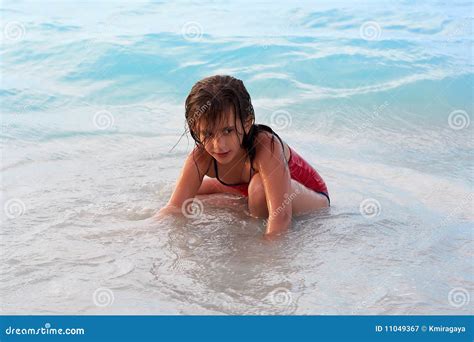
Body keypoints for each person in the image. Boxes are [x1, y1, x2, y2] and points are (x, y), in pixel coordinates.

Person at [157, 75, 329, 238]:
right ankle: (248, 205)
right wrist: (143, 231)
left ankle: (252, 215)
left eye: (228, 131)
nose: (219, 145)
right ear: (196, 131)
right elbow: (174, 207)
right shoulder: (200, 157)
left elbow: (281, 217)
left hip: (310, 196)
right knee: (193, 192)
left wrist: (262, 250)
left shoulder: (265, 145)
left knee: (259, 188)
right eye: (208, 134)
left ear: (247, 123)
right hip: (249, 190)